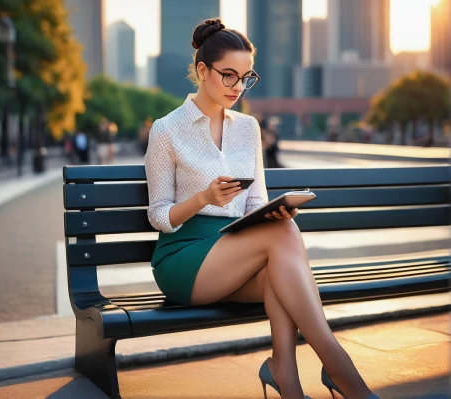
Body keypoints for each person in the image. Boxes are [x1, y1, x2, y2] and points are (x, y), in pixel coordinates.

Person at [144, 18, 381, 399]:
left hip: (235, 251)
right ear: (202, 71)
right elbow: (158, 216)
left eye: (246, 77)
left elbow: (254, 201)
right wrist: (203, 198)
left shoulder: (247, 128)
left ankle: (285, 374)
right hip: (183, 258)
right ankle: (341, 369)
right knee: (282, 241)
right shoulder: (166, 130)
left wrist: (274, 212)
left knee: (280, 255)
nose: (238, 87)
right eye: (228, 76)